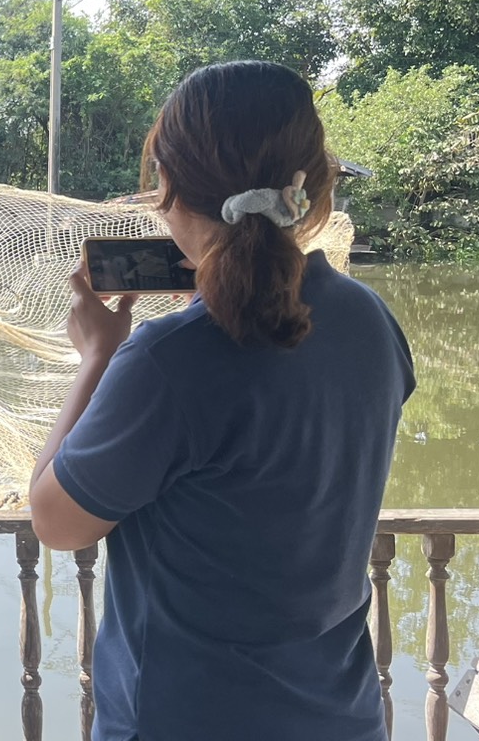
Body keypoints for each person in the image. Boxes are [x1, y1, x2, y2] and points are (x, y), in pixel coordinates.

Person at [28, 60, 416, 741]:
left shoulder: (166, 362)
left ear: (168, 189)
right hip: (342, 719)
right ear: (314, 186)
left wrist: (98, 358)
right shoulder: (370, 321)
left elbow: (57, 523)